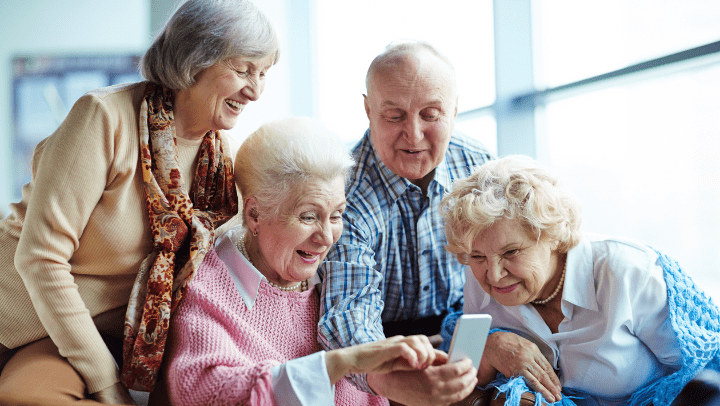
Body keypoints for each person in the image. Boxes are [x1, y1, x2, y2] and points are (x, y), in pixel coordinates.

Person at [0, 0, 278, 404]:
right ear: (194, 59)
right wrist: (109, 385)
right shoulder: (104, 118)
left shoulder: (223, 163)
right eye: (242, 70)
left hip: (115, 337)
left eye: (264, 74)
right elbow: (40, 259)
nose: (255, 91)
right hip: (27, 324)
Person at [163, 116, 456, 405]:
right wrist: (339, 363)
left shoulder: (337, 277)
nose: (327, 237)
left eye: (337, 215)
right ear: (254, 214)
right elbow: (201, 391)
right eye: (308, 216)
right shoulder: (208, 287)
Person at [439, 155, 720, 405]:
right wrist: (491, 346)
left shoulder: (627, 272)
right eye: (476, 257)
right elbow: (456, 383)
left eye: (511, 252)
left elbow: (703, 376)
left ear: (552, 236)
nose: (495, 274)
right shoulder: (480, 278)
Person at [317, 40, 491, 405]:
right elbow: (348, 314)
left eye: (431, 114)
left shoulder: (481, 168)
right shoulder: (341, 192)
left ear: (455, 111)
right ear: (368, 109)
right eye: (394, 116)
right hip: (385, 353)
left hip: (471, 334)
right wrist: (390, 378)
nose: (413, 135)